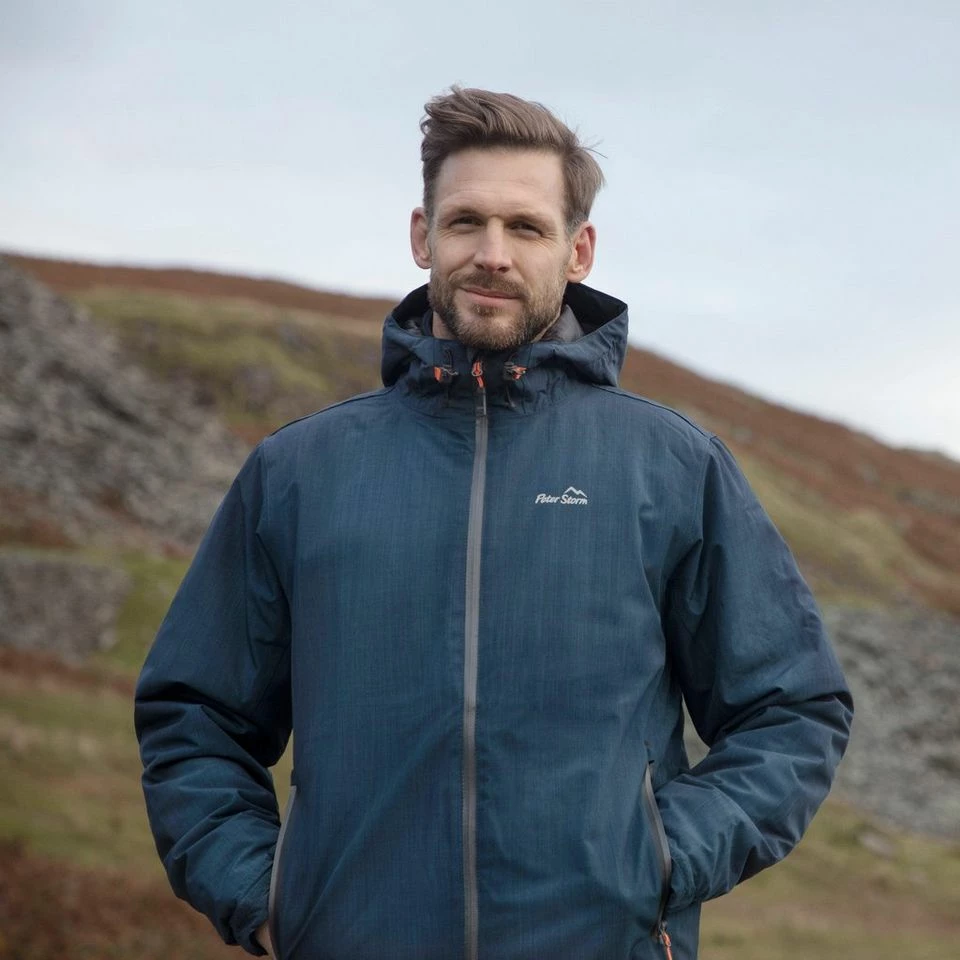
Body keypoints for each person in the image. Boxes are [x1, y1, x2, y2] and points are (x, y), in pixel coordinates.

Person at [135, 87, 853, 960]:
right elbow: (194, 715)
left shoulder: (670, 467)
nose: (492, 254)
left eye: (526, 227)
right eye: (466, 221)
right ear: (421, 236)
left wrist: (658, 861)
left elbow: (792, 708)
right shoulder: (299, 472)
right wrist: (266, 894)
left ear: (578, 250)